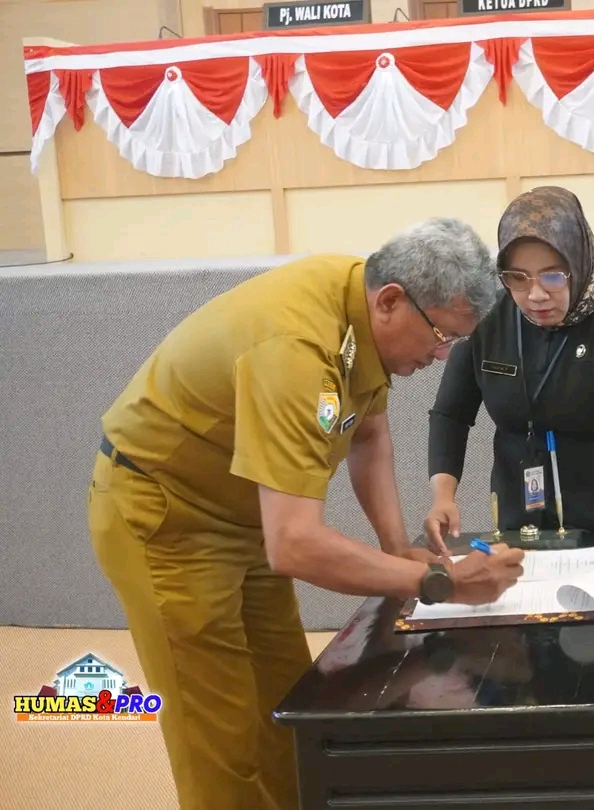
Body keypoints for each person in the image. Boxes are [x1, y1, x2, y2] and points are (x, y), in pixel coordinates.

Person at [87, 218, 526, 810]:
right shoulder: (297, 350)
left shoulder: (359, 301)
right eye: (443, 336)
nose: (442, 354)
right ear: (391, 301)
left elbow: (368, 431)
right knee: (218, 732)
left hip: (247, 514)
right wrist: (437, 580)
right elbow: (295, 544)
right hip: (169, 516)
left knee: (288, 708)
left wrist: (396, 545)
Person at [424, 186, 594, 567]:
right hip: (519, 523)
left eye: (552, 276)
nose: (535, 294)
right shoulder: (490, 319)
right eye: (518, 278)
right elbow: (451, 415)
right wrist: (443, 497)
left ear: (578, 262)